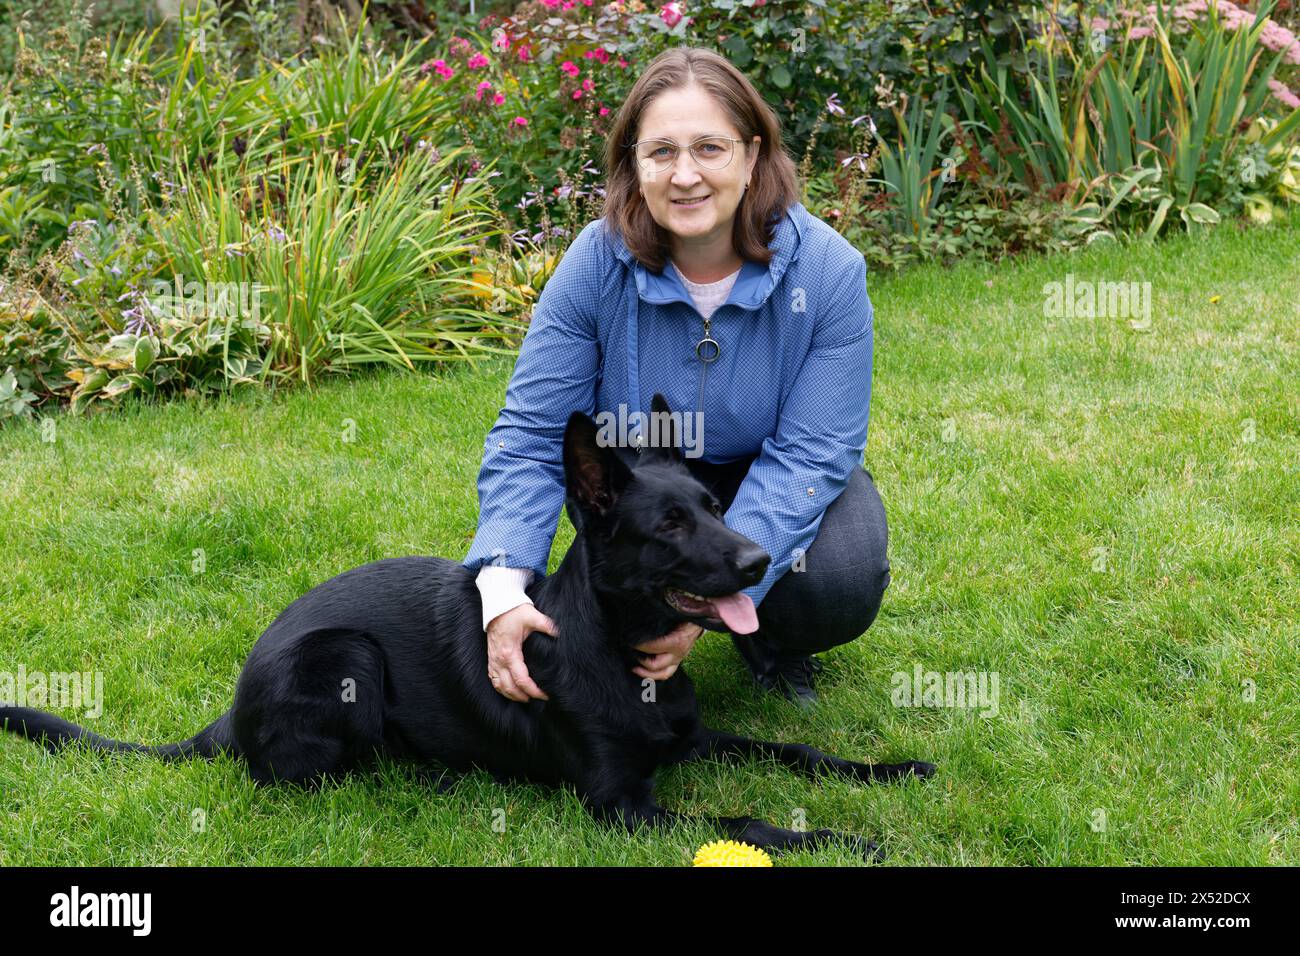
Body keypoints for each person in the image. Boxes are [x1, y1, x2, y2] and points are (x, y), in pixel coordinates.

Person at [462, 46, 889, 708]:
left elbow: (813, 450)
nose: (684, 175)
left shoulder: (828, 273)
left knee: (840, 574)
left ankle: (769, 639)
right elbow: (536, 430)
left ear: (752, 156)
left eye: (709, 149)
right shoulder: (595, 264)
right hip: (645, 487)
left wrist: (714, 597)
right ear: (634, 164)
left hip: (762, 470)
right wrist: (501, 584)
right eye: (661, 152)